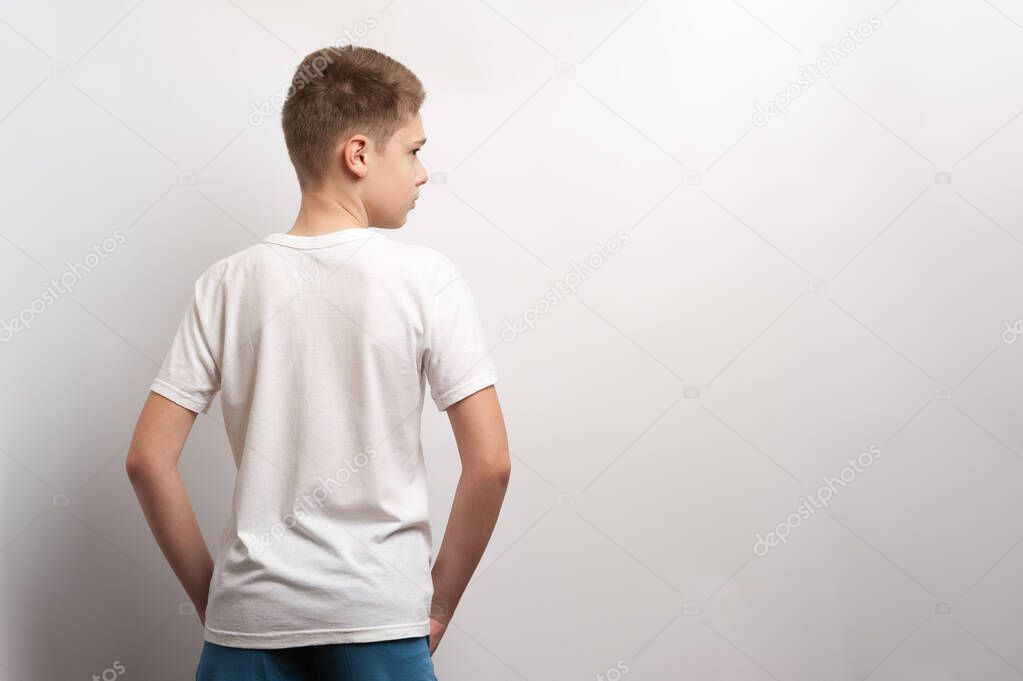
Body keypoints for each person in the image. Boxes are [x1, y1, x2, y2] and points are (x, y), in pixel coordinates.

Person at [125, 45, 511, 681]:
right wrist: (435, 607)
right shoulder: (426, 279)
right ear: (358, 154)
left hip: (247, 625)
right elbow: (491, 464)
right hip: (379, 619)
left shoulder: (225, 284)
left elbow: (146, 460)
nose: (423, 173)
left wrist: (217, 602)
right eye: (414, 151)